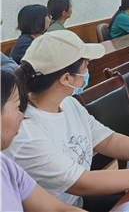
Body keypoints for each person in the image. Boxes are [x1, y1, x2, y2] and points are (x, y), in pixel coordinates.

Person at [6, 31, 129, 210]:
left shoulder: (68, 103)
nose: (88, 71)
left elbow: (108, 140)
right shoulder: (26, 132)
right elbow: (82, 183)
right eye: (85, 66)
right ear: (66, 78)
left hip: (77, 202)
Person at [1, 69, 84, 212]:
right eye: (17, 107)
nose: (21, 116)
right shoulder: (27, 137)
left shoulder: (5, 165)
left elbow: (58, 209)